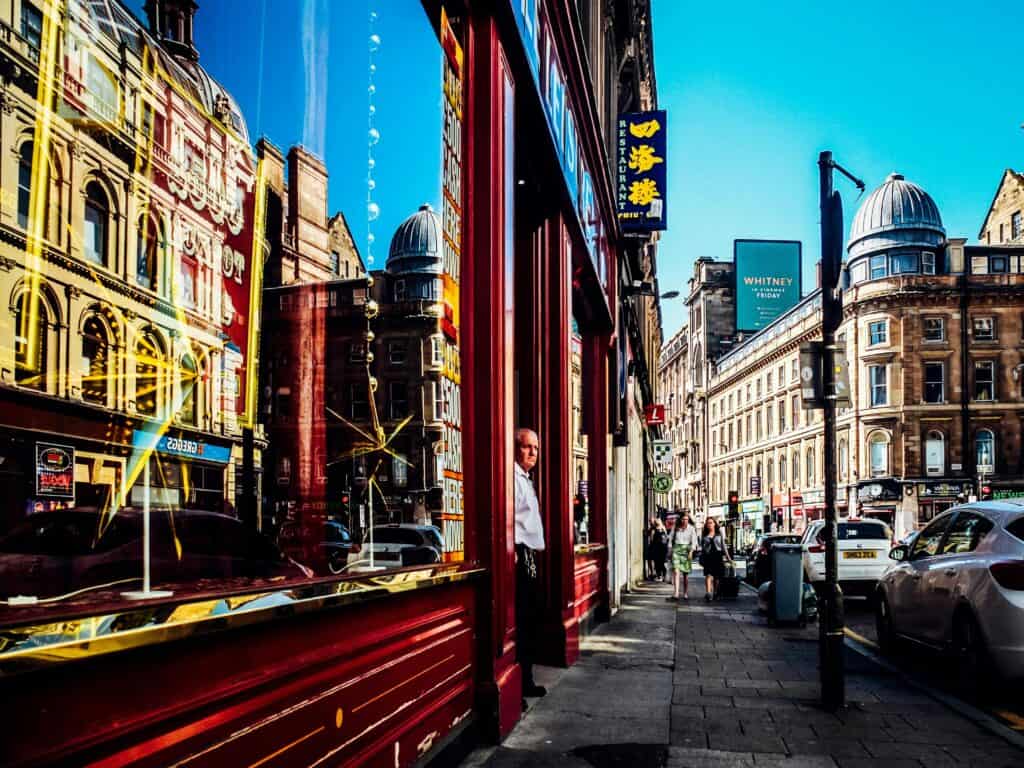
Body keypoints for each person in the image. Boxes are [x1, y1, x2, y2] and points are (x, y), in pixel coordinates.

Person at [514, 427, 547, 699]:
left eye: (536, 448)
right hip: (519, 554)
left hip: (530, 555)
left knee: (531, 620)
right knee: (523, 621)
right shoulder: (512, 478)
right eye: (527, 446)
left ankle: (526, 679)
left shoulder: (525, 478)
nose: (533, 452)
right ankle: (521, 684)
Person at [666, 514, 699, 601]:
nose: (685, 521)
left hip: (686, 551)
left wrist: (691, 552)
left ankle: (685, 593)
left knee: (685, 575)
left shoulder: (691, 528)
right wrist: (670, 550)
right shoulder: (675, 527)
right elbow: (670, 539)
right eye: (683, 519)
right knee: (676, 572)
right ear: (680, 520)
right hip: (676, 550)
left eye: (687, 519)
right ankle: (676, 593)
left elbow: (694, 541)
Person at [700, 517, 732, 602]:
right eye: (708, 523)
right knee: (708, 575)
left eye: (711, 523)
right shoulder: (704, 534)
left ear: (714, 524)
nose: (709, 524)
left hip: (717, 556)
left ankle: (715, 592)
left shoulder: (719, 533)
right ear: (706, 525)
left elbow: (723, 546)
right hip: (708, 556)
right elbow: (702, 547)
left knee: (717, 577)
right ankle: (708, 593)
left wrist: (729, 558)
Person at [650, 518, 669, 582]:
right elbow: (652, 539)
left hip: (662, 548)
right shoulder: (654, 529)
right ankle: (660, 575)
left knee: (662, 562)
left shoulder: (662, 528)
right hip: (657, 549)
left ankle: (663, 575)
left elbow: (666, 537)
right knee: (658, 562)